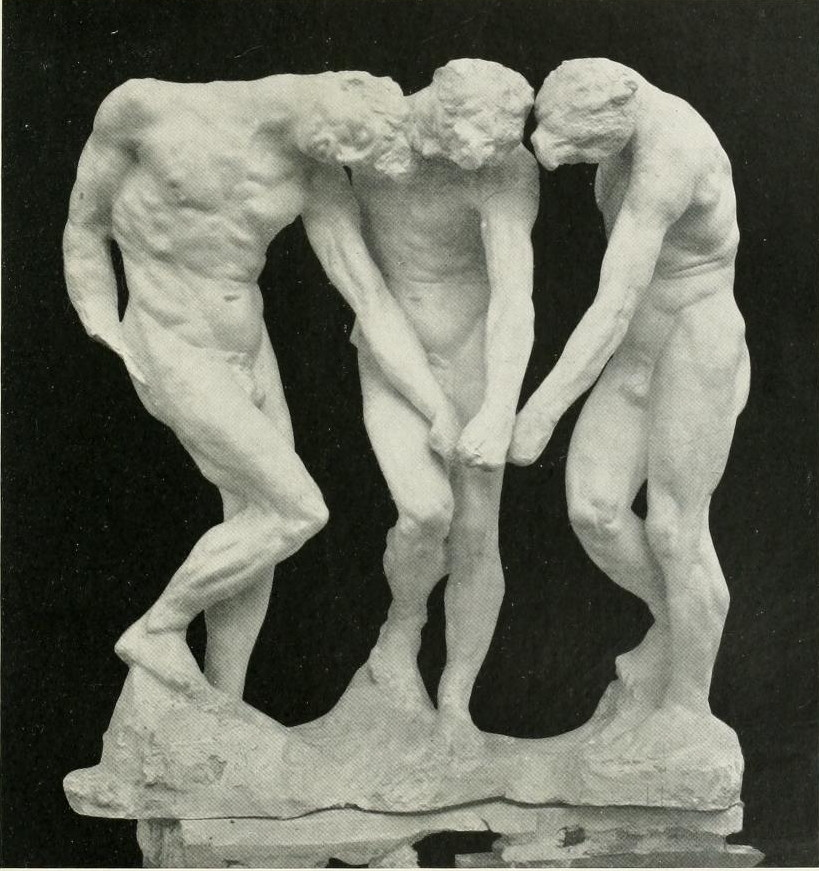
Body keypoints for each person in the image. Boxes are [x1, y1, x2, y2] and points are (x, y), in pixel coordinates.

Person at [64, 71, 462, 700]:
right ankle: (157, 628)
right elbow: (86, 226)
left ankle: (223, 697)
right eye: (341, 139)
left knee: (254, 519)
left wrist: (435, 405)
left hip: (250, 346)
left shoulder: (315, 171)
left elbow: (367, 295)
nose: (333, 154)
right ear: (345, 85)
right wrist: (103, 323)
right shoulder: (147, 108)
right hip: (171, 341)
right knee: (295, 509)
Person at [510, 59, 750, 742]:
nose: (562, 160)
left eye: (576, 146)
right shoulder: (619, 144)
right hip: (638, 351)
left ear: (613, 114)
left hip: (696, 342)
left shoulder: (669, 153)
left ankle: (687, 706)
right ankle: (680, 621)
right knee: (594, 509)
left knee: (675, 529)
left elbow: (614, 302)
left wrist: (542, 409)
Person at [350, 59, 538, 749]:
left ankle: (456, 701)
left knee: (478, 531)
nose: (470, 166)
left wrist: (500, 406)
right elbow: (360, 281)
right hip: (392, 348)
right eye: (461, 151)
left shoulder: (504, 166)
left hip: (474, 351)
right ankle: (403, 626)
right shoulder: (368, 139)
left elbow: (514, 295)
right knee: (425, 511)